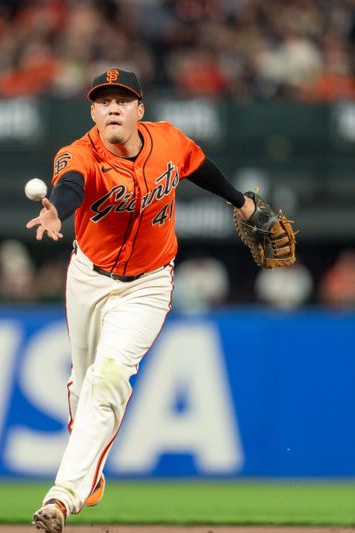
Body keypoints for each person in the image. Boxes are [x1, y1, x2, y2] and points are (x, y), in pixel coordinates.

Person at [25, 68, 256, 533]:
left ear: (139, 110)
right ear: (93, 112)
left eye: (123, 99)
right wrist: (57, 209)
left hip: (148, 284)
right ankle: (87, 466)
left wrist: (240, 202)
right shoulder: (78, 154)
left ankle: (62, 496)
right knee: (83, 382)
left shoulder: (167, 140)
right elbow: (69, 185)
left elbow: (199, 167)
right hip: (88, 278)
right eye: (104, 100)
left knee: (110, 376)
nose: (113, 107)